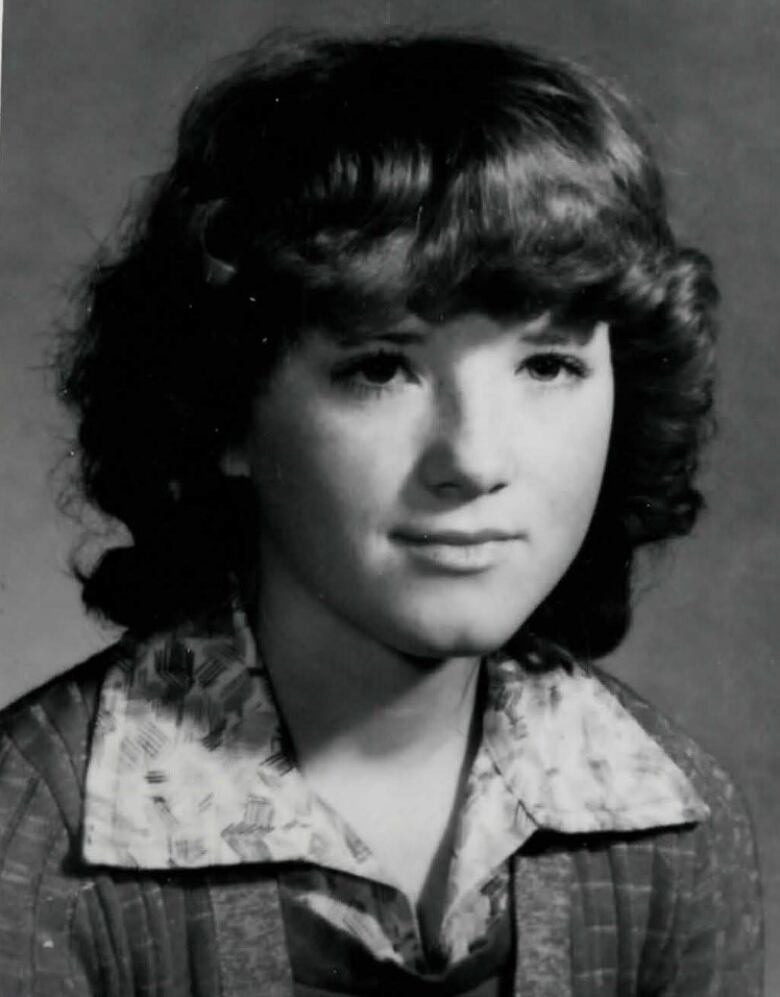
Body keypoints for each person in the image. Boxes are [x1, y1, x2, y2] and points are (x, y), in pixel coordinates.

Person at [0, 33, 763, 996]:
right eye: (380, 367)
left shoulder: (678, 825)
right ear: (224, 410)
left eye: (549, 365)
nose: (475, 461)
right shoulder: (29, 833)